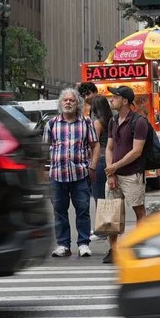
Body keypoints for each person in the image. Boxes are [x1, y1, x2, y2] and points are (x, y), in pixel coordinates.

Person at [103, 85, 151, 260]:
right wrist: (110, 172)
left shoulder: (139, 122)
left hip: (132, 174)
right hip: (114, 174)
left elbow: (137, 151)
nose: (111, 99)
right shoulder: (112, 121)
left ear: (124, 101)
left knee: (138, 209)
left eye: (114, 97)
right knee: (111, 212)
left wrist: (114, 167)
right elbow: (109, 147)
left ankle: (142, 244)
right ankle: (113, 250)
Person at [46, 89, 96, 258]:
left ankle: (83, 243)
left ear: (78, 104)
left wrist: (93, 167)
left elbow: (95, 146)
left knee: (83, 209)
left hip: (80, 173)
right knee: (59, 211)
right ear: (61, 103)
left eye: (71, 100)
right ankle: (63, 245)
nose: (68, 102)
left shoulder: (86, 123)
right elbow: (45, 148)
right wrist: (44, 170)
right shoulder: (52, 123)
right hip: (57, 175)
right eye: (65, 100)